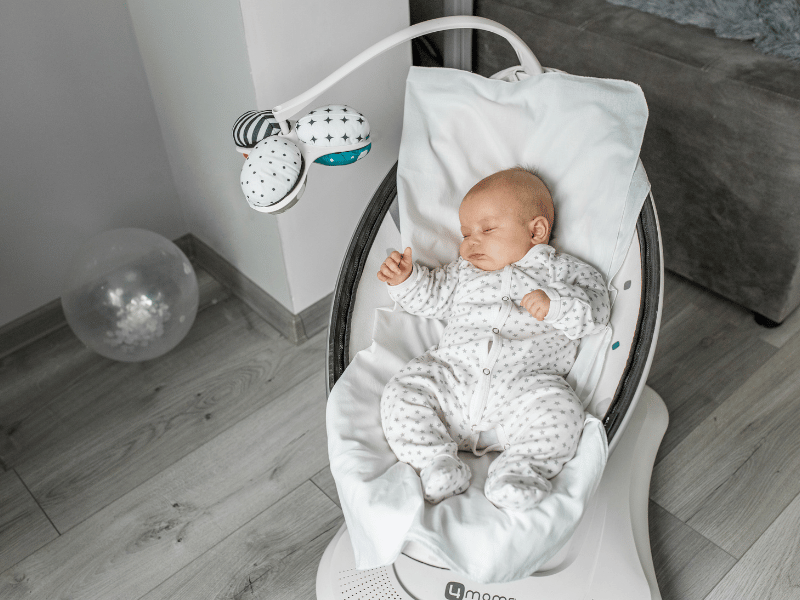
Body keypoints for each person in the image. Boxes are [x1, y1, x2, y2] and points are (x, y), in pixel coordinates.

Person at [377, 167, 610, 510]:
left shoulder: (562, 271)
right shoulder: (463, 273)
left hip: (524, 389)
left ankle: (519, 471)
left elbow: (597, 309)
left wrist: (555, 305)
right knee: (403, 392)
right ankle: (435, 464)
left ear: (537, 231)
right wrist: (405, 280)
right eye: (466, 233)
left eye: (486, 229)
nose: (471, 242)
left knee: (561, 410)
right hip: (453, 380)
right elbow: (431, 297)